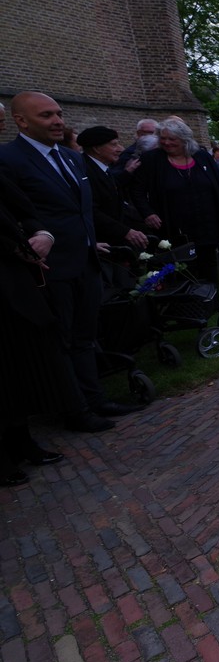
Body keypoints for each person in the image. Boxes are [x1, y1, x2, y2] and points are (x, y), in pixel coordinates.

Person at [0, 91, 137, 430]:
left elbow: (79, 210)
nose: (58, 121)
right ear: (21, 121)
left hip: (86, 260)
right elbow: (16, 215)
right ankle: (74, 410)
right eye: (46, 115)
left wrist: (91, 241)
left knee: (85, 336)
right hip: (50, 268)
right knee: (60, 340)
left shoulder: (73, 158)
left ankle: (95, 398)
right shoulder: (9, 160)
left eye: (59, 113)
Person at [0, 168, 75, 485]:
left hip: (12, 281)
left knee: (17, 362)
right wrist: (13, 247)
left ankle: (21, 440)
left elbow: (22, 206)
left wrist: (42, 234)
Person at [132, 117, 219, 282]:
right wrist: (148, 213)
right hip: (174, 225)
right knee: (182, 267)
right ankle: (187, 296)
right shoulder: (151, 159)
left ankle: (211, 295)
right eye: (163, 138)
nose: (166, 142)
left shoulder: (202, 157)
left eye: (172, 139)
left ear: (185, 140)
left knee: (208, 264)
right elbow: (137, 190)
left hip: (207, 224)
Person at [78, 126, 149, 249]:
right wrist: (124, 231)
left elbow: (111, 188)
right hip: (102, 243)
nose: (120, 149)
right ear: (96, 149)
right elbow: (92, 210)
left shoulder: (102, 167)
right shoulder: (85, 171)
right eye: (114, 145)